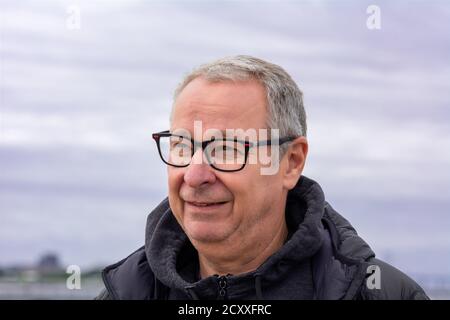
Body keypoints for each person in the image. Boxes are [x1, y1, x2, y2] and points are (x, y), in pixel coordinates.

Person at [96, 55, 428, 300]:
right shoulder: (125, 293)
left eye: (226, 148)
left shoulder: (381, 294)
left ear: (291, 162)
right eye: (183, 145)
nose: (195, 175)